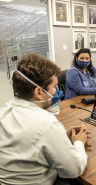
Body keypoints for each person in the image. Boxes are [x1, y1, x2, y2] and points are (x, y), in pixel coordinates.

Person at [0, 53, 91, 184]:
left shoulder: (4, 110)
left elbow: (27, 142)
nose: (56, 91)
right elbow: (74, 169)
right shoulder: (47, 123)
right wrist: (79, 142)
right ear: (38, 92)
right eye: (54, 87)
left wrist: (62, 135)